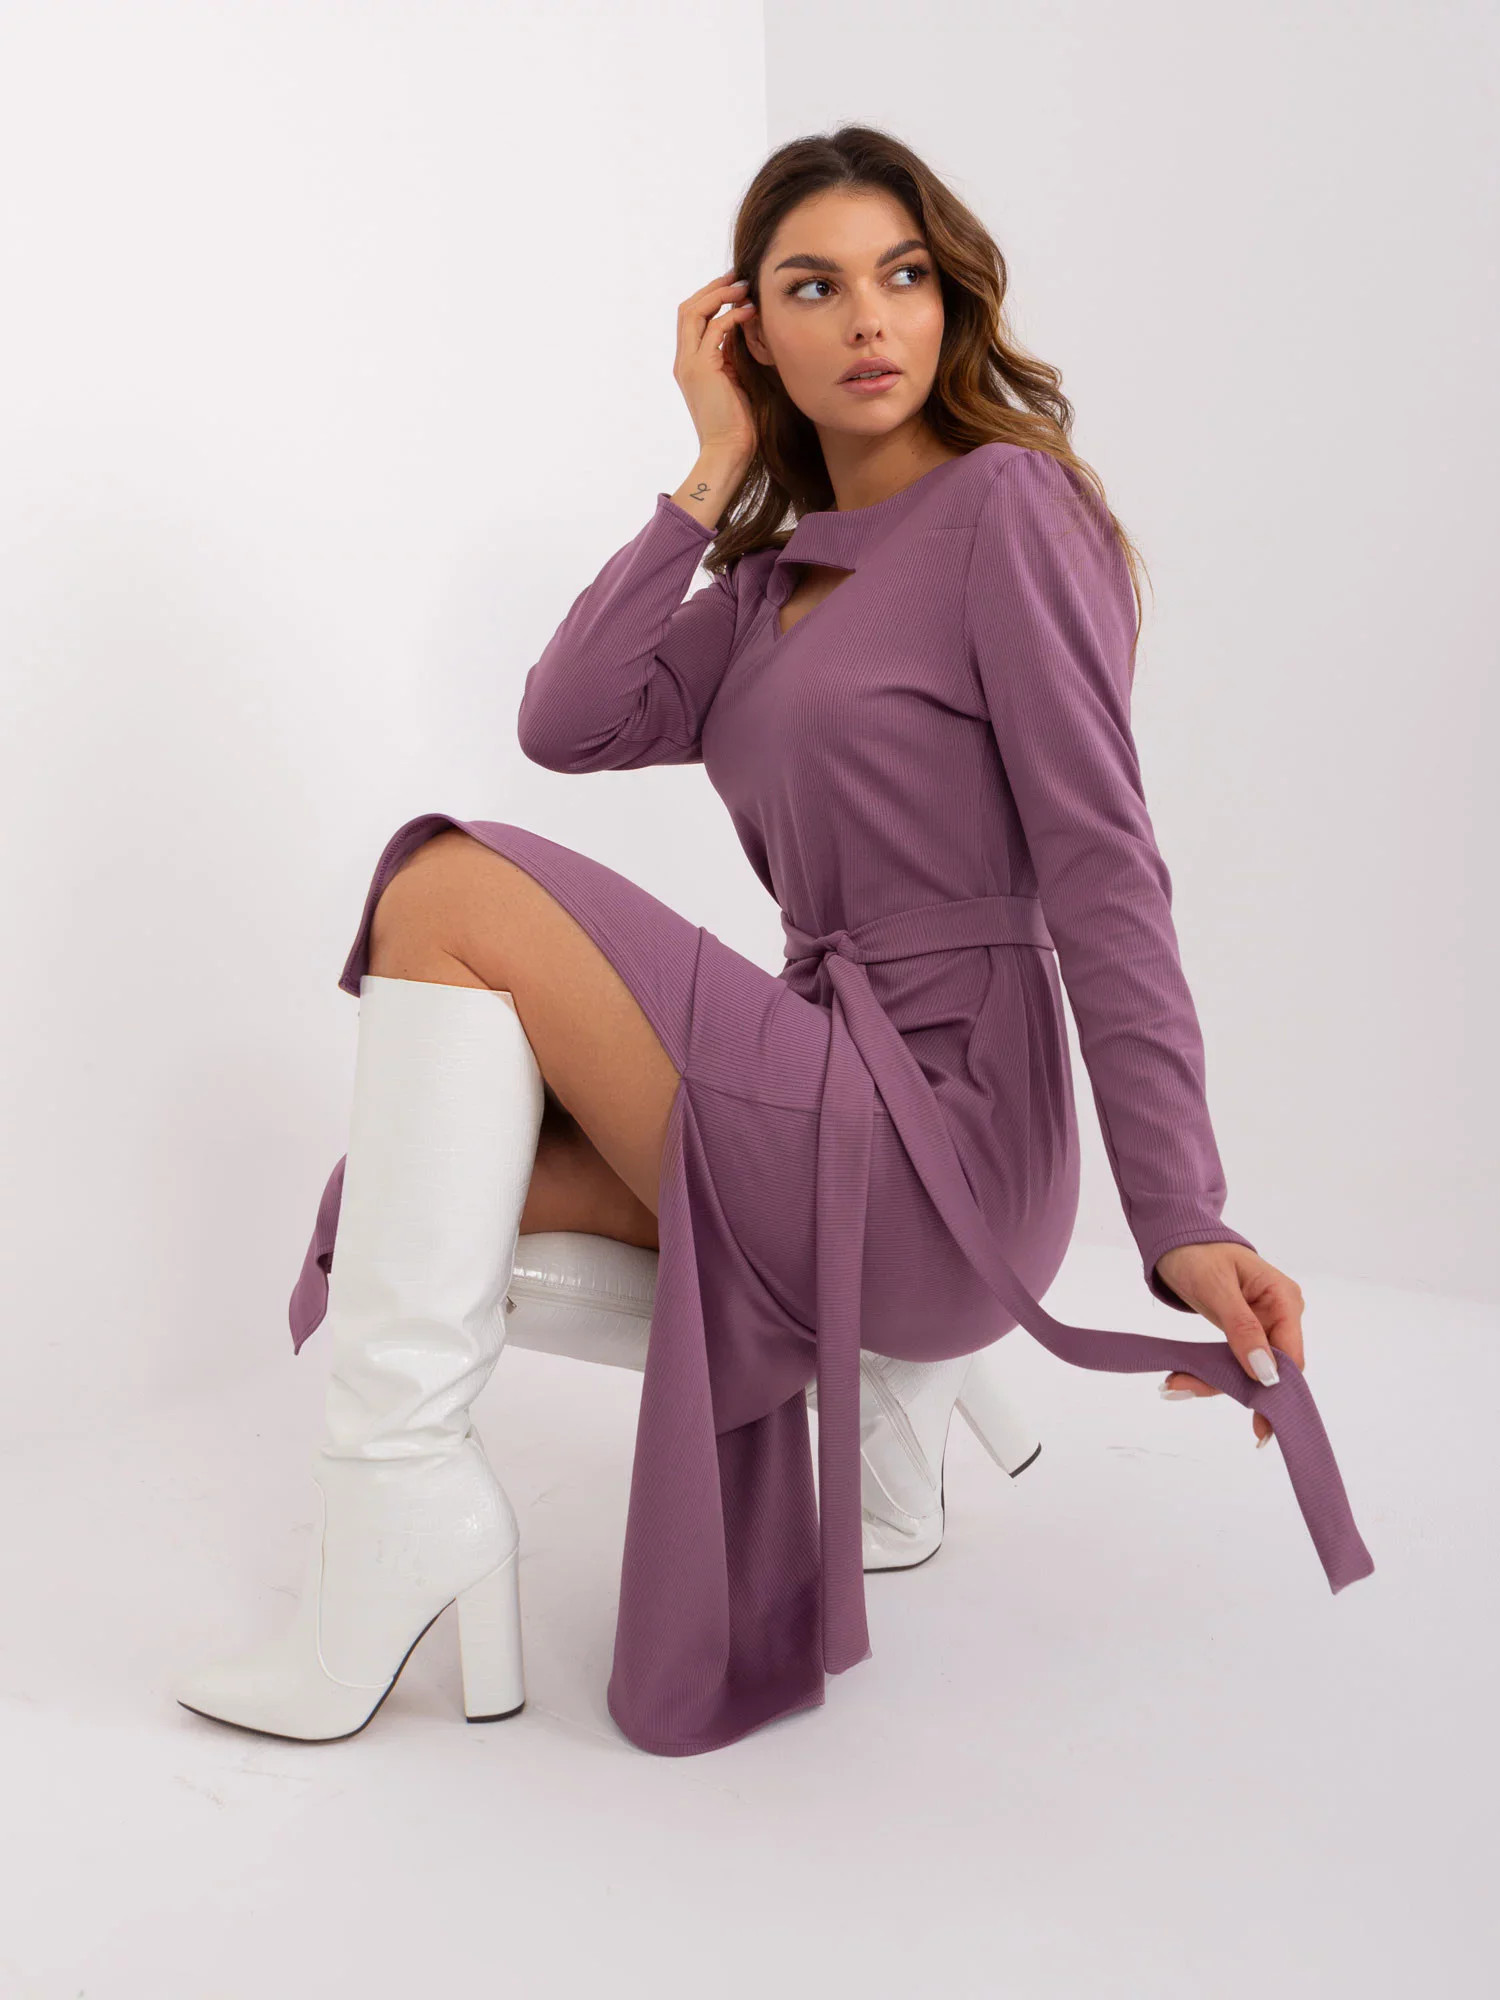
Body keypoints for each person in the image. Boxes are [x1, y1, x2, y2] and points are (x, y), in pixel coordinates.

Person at [173, 124, 1373, 1760]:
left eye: (903, 276)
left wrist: (1181, 1214)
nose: (869, 318)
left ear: (949, 303)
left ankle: (381, 1541)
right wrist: (709, 471)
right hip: (827, 1079)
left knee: (445, 887)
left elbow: (1105, 867)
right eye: (813, 288)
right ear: (751, 333)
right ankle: (421, 1516)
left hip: (947, 1132)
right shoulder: (763, 589)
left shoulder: (1007, 507)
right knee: (429, 1191)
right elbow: (568, 721)